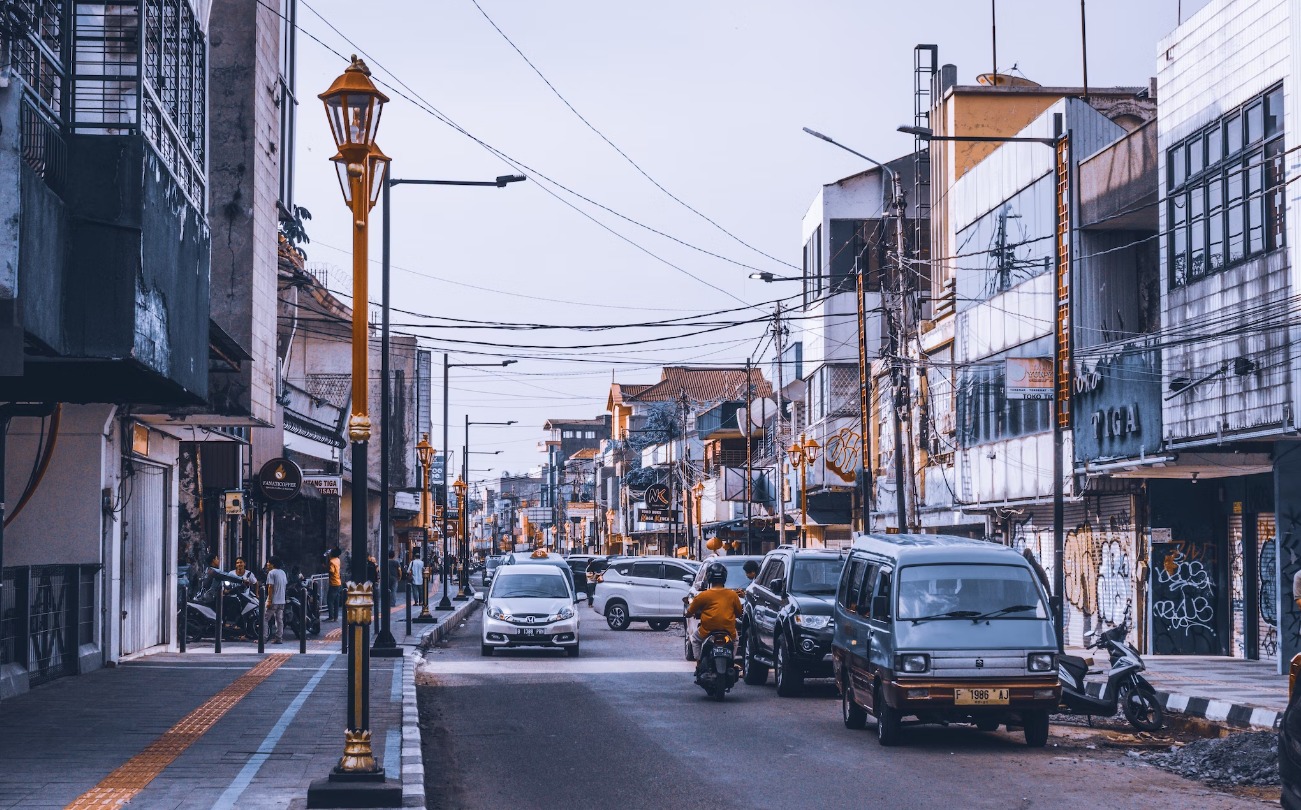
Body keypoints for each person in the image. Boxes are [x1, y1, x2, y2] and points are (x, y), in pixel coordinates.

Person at [684, 562, 744, 667]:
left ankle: (698, 663)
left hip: (707, 630)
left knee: (695, 639)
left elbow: (690, 611)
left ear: (709, 577)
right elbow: (739, 612)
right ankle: (731, 661)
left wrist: (688, 614)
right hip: (728, 630)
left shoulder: (703, 595)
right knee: (735, 641)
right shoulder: (732, 594)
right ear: (724, 577)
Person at [265, 556, 287, 644]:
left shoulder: (271, 573)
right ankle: (279, 638)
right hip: (282, 600)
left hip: (274, 600)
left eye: (268, 562)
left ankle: (263, 637)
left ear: (272, 564)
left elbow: (270, 586)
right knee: (279, 619)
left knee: (264, 619)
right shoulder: (283, 572)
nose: (267, 564)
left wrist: (269, 600)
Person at [326, 548, 343, 622]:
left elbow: (331, 571)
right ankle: (335, 616)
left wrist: (326, 566)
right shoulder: (337, 560)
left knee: (329, 600)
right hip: (338, 582)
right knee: (336, 600)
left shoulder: (332, 561)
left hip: (333, 583)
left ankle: (331, 616)